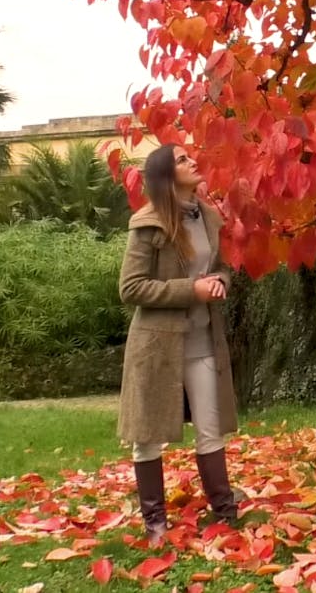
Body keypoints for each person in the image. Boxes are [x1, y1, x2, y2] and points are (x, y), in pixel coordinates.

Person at [117, 143, 241, 546]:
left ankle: (225, 514)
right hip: (157, 347)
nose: (194, 161)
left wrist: (220, 280)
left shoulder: (208, 216)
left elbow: (219, 265)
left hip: (203, 338)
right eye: (184, 160)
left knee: (211, 430)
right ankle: (155, 525)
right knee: (148, 436)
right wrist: (192, 290)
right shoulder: (148, 224)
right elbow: (131, 287)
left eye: (192, 155)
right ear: (167, 176)